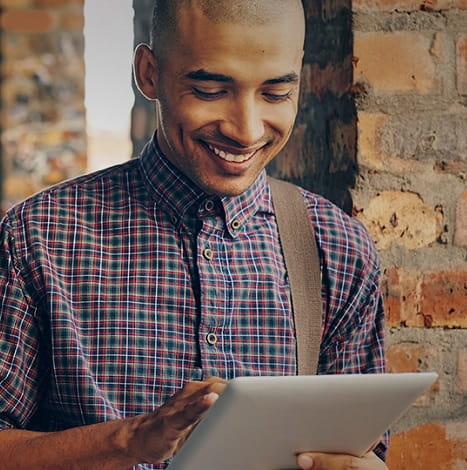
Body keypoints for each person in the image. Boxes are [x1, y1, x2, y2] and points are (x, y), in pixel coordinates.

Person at [0, 1, 388, 468]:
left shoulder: (341, 250)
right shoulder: (37, 237)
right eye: (209, 89)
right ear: (148, 73)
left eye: (276, 93)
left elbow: (361, 452)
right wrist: (131, 439)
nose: (245, 130)